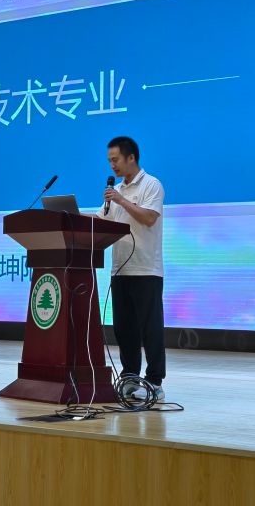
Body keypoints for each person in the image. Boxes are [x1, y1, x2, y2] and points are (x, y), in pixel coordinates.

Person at [98, 135, 166, 401]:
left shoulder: (151, 185)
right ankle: (129, 377)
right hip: (120, 269)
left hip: (146, 269)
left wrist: (121, 201)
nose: (112, 165)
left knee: (150, 329)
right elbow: (102, 220)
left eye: (115, 160)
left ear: (131, 158)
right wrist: (70, 216)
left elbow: (149, 218)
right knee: (124, 329)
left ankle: (155, 382)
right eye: (109, 161)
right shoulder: (116, 191)